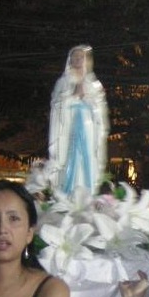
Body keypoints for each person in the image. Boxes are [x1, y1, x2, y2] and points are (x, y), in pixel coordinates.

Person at [48, 45, 109, 197]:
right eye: (74, 57)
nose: (77, 60)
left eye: (81, 57)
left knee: (87, 159)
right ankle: (68, 193)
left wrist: (87, 99)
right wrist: (73, 95)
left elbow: (100, 110)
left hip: (89, 128)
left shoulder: (94, 85)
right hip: (69, 126)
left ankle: (88, 193)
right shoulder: (63, 82)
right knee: (70, 156)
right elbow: (56, 106)